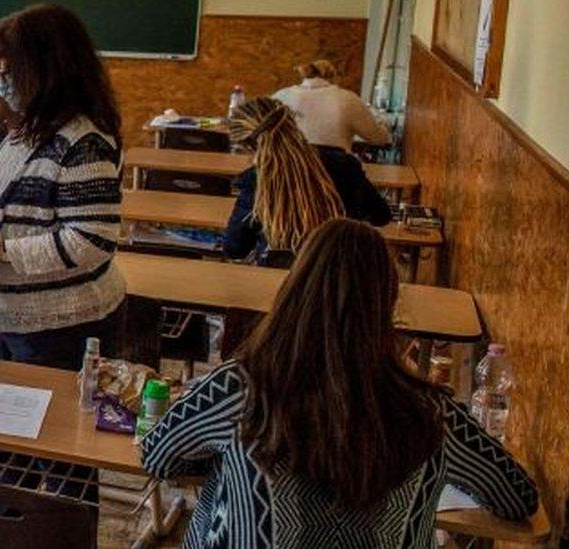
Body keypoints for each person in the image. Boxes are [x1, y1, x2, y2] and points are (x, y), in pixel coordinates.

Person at [142, 219, 539, 548]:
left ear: (293, 290)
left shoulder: (238, 391)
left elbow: (157, 456)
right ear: (387, 305)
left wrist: (227, 460)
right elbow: (517, 496)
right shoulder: (432, 413)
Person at [0, 4, 126, 504]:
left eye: (7, 68)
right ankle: (11, 528)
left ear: (45, 69)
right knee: (10, 449)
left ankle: (55, 534)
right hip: (9, 320)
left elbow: (90, 243)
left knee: (61, 465)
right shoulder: (17, 130)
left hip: (62, 326)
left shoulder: (84, 144)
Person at [224, 97, 391, 264]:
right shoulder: (344, 165)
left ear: (248, 146)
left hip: (279, 280)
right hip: (342, 275)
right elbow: (381, 216)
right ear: (292, 123)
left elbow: (235, 249)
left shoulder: (256, 181)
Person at [272, 59, 391, 152]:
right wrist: (383, 124)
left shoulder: (280, 97)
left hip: (287, 177)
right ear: (333, 77)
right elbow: (379, 139)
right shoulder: (348, 100)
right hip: (334, 178)